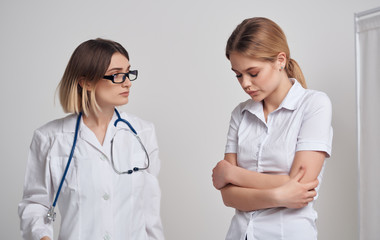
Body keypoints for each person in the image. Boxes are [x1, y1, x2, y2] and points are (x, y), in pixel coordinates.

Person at [18, 38, 164, 240]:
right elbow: (35, 204)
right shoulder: (49, 138)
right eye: (117, 75)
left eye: (128, 73)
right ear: (85, 82)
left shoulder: (143, 132)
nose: (128, 82)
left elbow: (150, 212)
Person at [212, 17, 333, 240]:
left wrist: (232, 173)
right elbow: (228, 197)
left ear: (280, 60)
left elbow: (302, 186)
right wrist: (279, 195)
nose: (245, 83)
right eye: (238, 74)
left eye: (253, 73)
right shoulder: (240, 114)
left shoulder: (314, 105)